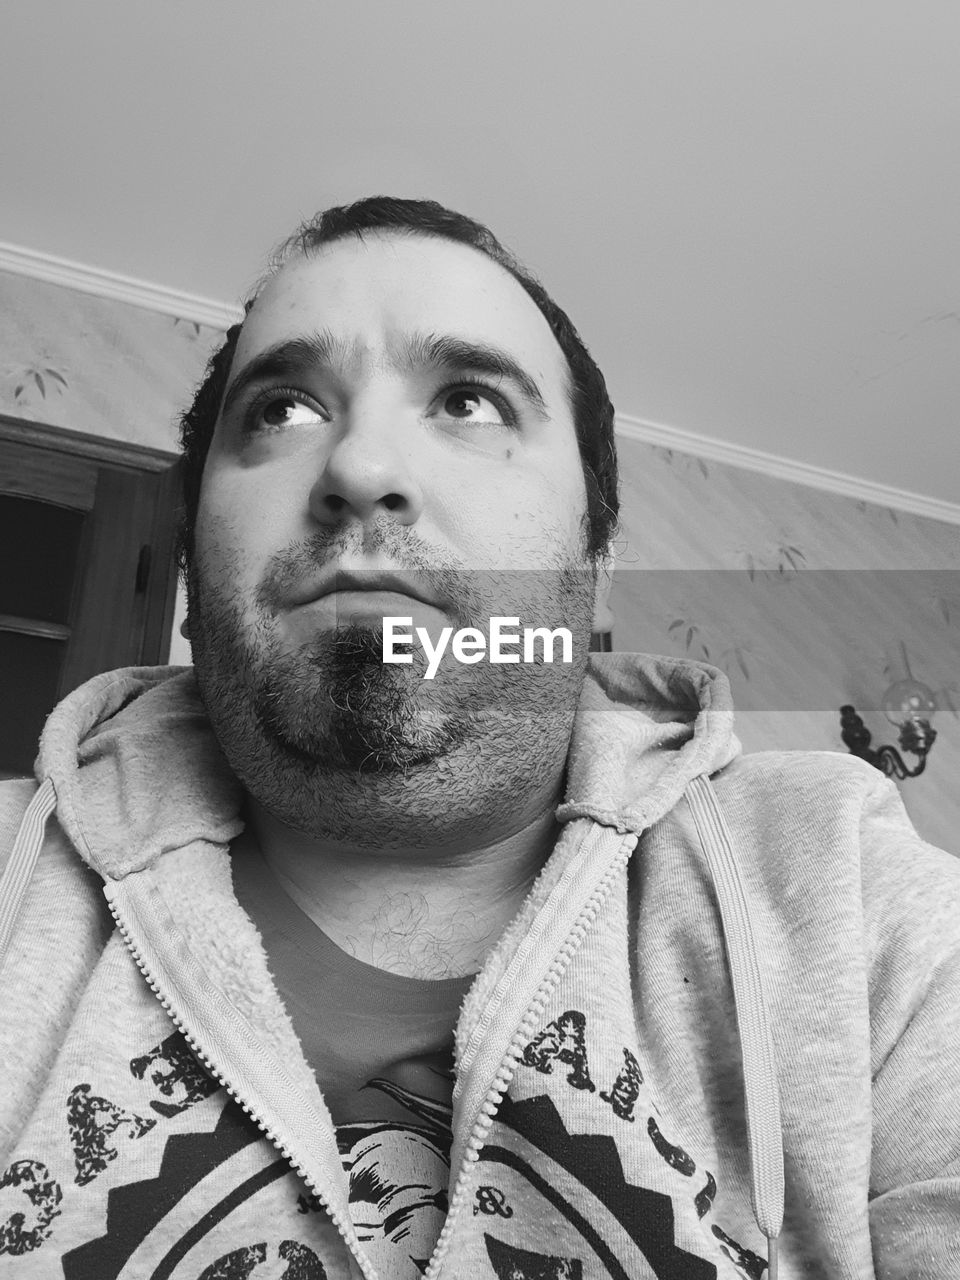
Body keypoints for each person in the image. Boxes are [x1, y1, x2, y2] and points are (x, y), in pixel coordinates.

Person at [0, 197, 957, 1280]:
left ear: (596, 552)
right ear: (189, 553)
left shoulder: (852, 890)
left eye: (466, 398)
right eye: (282, 411)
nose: (359, 468)